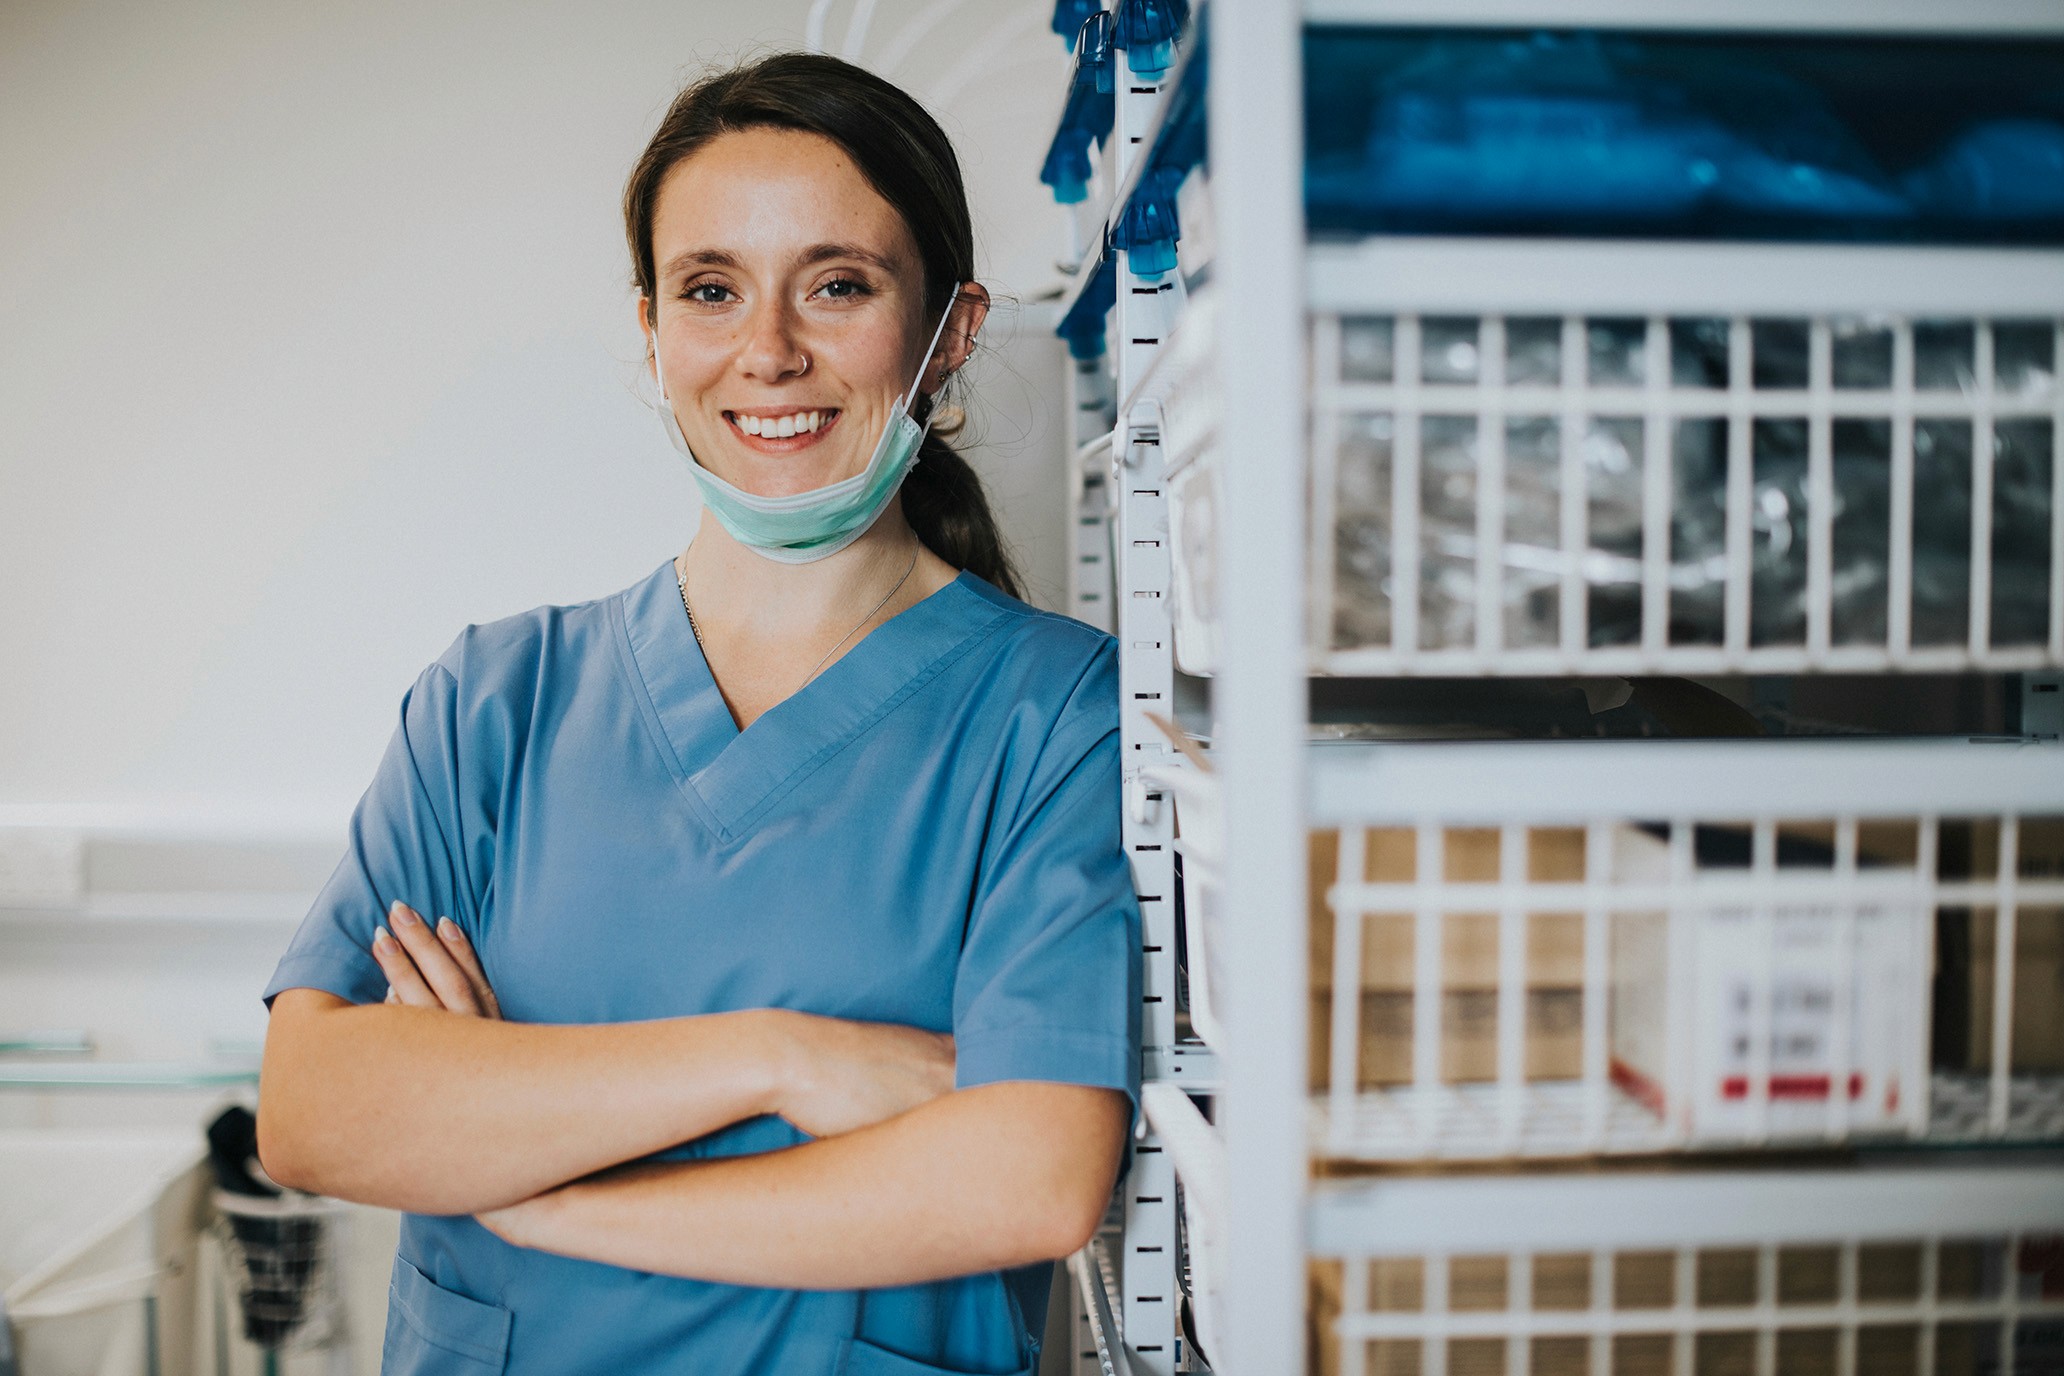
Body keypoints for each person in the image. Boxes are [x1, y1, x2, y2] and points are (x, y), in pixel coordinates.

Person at [256, 52, 1139, 1376]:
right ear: (655, 332)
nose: (768, 350)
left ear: (950, 331)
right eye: (712, 290)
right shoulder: (498, 701)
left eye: (838, 285)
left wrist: (542, 1188)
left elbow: (1027, 1179)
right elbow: (316, 1110)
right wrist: (782, 1061)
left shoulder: (1054, 712)